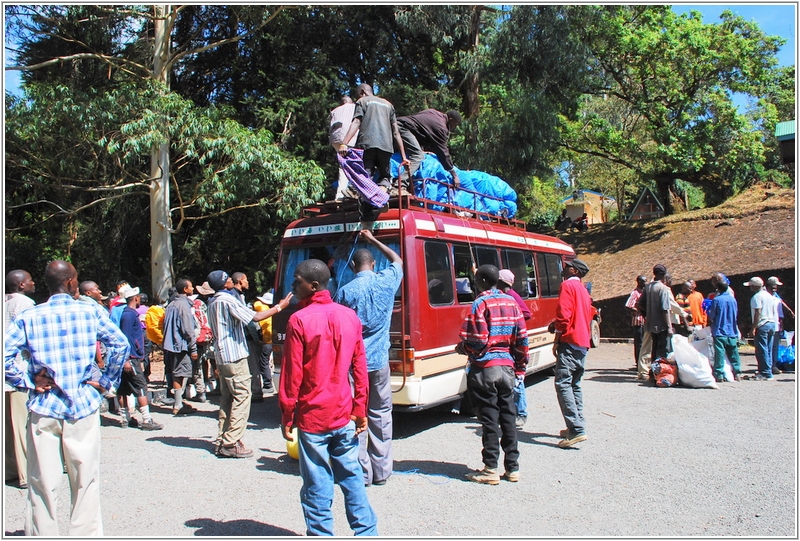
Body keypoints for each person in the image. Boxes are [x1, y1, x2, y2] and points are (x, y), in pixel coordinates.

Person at [4, 260, 129, 536]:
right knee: (85, 479)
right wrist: (106, 381)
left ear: (47, 285)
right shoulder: (90, 312)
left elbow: (5, 356)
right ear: (73, 283)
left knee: (41, 482)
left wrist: (26, 380)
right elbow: (120, 345)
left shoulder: (31, 316)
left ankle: (43, 534)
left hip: (45, 405)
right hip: (82, 403)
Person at [279, 258, 377, 536]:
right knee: (352, 477)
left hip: (313, 418)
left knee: (317, 483)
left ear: (312, 285)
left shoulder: (299, 320)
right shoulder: (348, 316)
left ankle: (322, 535)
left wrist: (287, 414)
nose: (293, 286)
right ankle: (367, 532)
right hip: (344, 413)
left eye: (296, 281)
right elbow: (360, 367)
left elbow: (291, 375)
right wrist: (360, 409)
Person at [333, 228, 403, 487]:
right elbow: (398, 261)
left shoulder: (344, 293)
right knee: (381, 414)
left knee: (356, 414)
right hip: (379, 361)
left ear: (352, 266)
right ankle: (382, 471)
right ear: (373, 264)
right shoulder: (386, 281)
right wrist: (374, 239)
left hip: (353, 365)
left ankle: (362, 473)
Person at [206, 270, 292, 458]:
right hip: (234, 354)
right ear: (224, 283)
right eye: (228, 279)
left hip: (222, 356)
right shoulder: (227, 300)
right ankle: (231, 442)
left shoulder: (212, 302)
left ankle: (223, 438)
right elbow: (255, 317)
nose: (231, 280)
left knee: (227, 398)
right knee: (243, 396)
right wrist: (280, 307)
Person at [457, 264, 528, 484]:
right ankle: (512, 468)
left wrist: (463, 348)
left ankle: (490, 468)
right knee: (508, 416)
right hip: (507, 367)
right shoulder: (512, 302)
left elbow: (477, 340)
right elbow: (522, 339)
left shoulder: (480, 303)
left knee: (489, 419)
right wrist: (520, 367)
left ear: (482, 281)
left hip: (485, 369)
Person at [339, 83, 409, 194]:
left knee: (365, 175)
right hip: (386, 147)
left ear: (362, 92)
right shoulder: (389, 105)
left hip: (367, 144)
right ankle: (382, 194)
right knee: (384, 176)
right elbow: (396, 133)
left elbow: (356, 122)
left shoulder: (362, 102)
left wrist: (344, 143)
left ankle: (362, 197)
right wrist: (404, 157)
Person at [552, 258, 593, 448]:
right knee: (575, 384)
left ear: (575, 271)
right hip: (583, 342)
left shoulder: (567, 286)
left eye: (568, 266)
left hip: (570, 340)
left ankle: (576, 429)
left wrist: (557, 339)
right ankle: (578, 423)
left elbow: (564, 315)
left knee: (562, 383)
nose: (564, 267)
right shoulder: (583, 290)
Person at [5, 269, 36, 490]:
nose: (34, 283)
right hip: (18, 370)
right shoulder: (25, 303)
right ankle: (26, 473)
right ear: (22, 285)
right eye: (30, 280)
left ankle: (9, 470)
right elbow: (29, 337)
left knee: (6, 427)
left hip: (4, 371)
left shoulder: (4, 302)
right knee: (23, 425)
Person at [116, 285, 163, 430]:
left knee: (123, 388)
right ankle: (146, 419)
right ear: (135, 298)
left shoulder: (129, 314)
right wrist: (128, 359)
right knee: (140, 386)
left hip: (129, 357)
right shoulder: (129, 315)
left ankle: (125, 418)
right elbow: (126, 338)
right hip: (131, 358)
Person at [497, 268, 531, 428]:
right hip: (508, 343)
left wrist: (514, 322)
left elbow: (527, 313)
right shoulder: (504, 295)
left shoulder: (512, 296)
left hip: (515, 343)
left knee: (518, 380)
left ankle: (521, 413)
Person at [396, 108, 462, 193]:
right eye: (455, 124)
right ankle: (400, 184)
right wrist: (454, 175)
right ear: (450, 119)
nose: (454, 127)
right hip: (403, 128)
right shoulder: (441, 127)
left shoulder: (433, 112)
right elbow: (443, 152)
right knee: (418, 156)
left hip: (397, 123)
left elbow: (420, 128)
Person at [162, 278, 199, 415]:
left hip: (170, 345)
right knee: (181, 374)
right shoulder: (183, 305)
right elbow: (188, 329)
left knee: (177, 373)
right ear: (185, 289)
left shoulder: (171, 304)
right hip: (180, 345)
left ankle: (179, 402)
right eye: (191, 286)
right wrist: (193, 347)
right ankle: (178, 405)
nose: (193, 288)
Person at [706, 279, 742, 382]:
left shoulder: (717, 300)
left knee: (719, 354)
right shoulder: (733, 300)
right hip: (731, 330)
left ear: (718, 289)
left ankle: (719, 374)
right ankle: (737, 372)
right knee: (734, 352)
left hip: (719, 330)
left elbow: (712, 315)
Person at [744, 276, 780, 380]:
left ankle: (765, 372)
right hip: (771, 323)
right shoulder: (769, 295)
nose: (750, 288)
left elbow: (758, 312)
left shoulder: (757, 297)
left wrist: (753, 328)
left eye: (751, 286)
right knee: (768, 348)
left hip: (762, 324)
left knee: (761, 350)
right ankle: (768, 370)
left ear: (755, 286)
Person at [637, 264, 674, 365]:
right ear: (663, 275)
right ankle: (659, 373)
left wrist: (646, 315)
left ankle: (653, 373)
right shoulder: (663, 289)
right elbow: (664, 309)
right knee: (662, 350)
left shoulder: (648, 287)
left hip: (651, 324)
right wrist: (669, 327)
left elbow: (639, 304)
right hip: (661, 325)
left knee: (654, 348)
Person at [329, 95, 359, 201]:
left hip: (335, 140)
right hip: (349, 139)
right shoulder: (354, 107)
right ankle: (349, 192)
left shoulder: (335, 110)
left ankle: (340, 195)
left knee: (343, 166)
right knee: (355, 165)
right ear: (350, 101)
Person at [253, 291, 278, 395]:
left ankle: (268, 385)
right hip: (273, 340)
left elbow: (256, 305)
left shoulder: (261, 308)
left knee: (263, 363)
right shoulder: (271, 311)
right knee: (266, 362)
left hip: (265, 342)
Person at [767, 276, 793, 374]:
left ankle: (773, 365)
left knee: (774, 346)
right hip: (770, 324)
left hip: (775, 325)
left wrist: (781, 323)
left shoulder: (776, 297)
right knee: (769, 346)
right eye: (774, 286)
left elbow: (781, 310)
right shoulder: (768, 297)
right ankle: (769, 365)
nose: (776, 288)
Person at [625, 275, 647, 371]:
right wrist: (637, 310)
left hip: (645, 321)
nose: (646, 283)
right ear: (638, 282)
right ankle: (638, 363)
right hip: (638, 321)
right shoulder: (635, 293)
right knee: (639, 343)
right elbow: (628, 305)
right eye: (644, 281)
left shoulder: (645, 292)